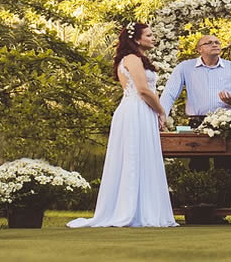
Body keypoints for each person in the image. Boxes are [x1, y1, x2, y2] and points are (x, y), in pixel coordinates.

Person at [68, 22, 177, 228]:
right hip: (136, 110)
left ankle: (143, 208)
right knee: (134, 156)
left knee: (142, 156)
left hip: (141, 110)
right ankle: (130, 210)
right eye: (149, 35)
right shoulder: (132, 59)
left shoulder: (136, 59)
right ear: (136, 39)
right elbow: (143, 90)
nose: (153, 38)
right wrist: (161, 111)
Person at [160, 34, 231, 202]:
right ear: (199, 49)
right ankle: (199, 207)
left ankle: (221, 210)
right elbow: (170, 93)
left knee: (226, 167)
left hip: (226, 121)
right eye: (209, 43)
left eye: (217, 42)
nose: (214, 44)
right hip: (197, 122)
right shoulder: (185, 68)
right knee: (198, 165)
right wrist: (161, 115)